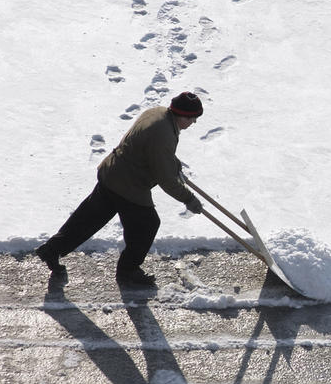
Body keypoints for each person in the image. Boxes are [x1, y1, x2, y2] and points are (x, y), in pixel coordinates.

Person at [36, 91, 205, 286]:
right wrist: (188, 199)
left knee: (87, 219)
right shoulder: (164, 133)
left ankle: (52, 250)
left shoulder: (158, 113)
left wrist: (173, 164)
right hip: (128, 185)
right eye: (193, 118)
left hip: (113, 173)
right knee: (147, 224)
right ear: (183, 115)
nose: (193, 123)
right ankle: (128, 270)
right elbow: (165, 177)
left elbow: (154, 152)